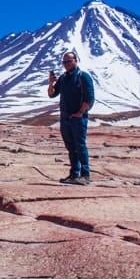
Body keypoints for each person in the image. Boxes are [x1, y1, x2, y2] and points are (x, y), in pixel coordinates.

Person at [48, 52, 95, 185]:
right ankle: (74, 174)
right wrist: (51, 83)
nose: (66, 65)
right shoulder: (63, 78)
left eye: (69, 61)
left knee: (80, 145)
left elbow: (89, 98)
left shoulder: (83, 76)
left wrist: (80, 113)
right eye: (64, 62)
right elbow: (52, 95)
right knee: (70, 146)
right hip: (65, 118)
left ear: (75, 61)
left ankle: (85, 175)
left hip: (78, 118)